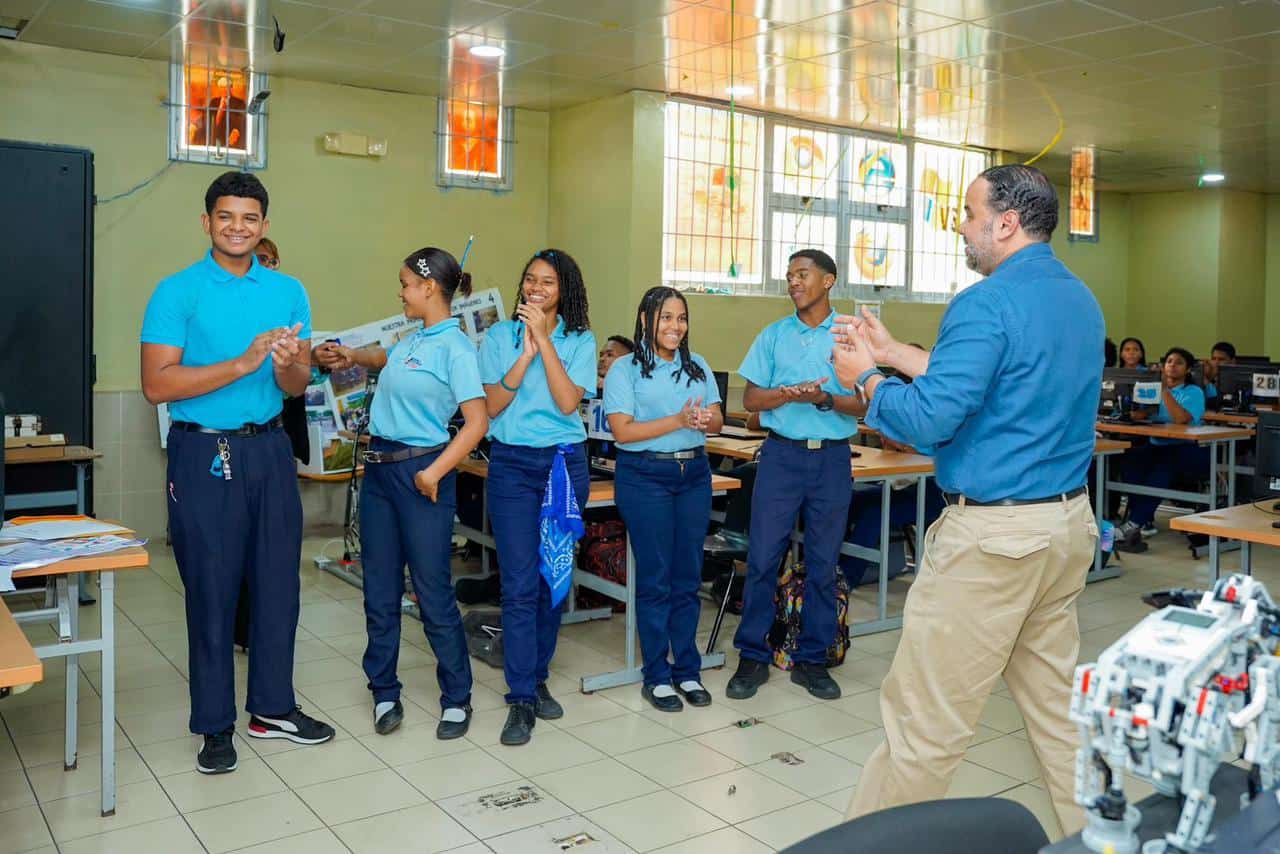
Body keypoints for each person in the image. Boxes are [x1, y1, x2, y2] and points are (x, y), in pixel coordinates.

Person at [833, 164, 1102, 835]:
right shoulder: (1078, 300)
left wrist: (867, 377)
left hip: (995, 545)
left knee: (924, 728)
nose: (959, 223)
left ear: (1005, 223)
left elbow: (928, 421)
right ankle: (1104, 840)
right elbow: (996, 380)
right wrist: (896, 351)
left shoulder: (984, 302)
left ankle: (865, 850)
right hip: (1063, 529)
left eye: (968, 211)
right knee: (1060, 719)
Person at [140, 171, 334, 775]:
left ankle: (272, 708)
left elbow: (297, 384)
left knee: (279, 584)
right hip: (204, 454)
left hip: (270, 451)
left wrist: (284, 367)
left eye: (250, 218)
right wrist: (241, 361)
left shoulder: (289, 291)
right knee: (212, 589)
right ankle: (215, 725)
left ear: (264, 226)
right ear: (207, 222)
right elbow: (156, 385)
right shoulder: (176, 293)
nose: (238, 227)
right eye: (226, 216)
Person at [314, 248, 488, 738]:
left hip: (422, 475)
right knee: (380, 592)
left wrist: (434, 473)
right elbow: (384, 357)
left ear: (430, 288)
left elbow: (476, 423)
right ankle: (383, 691)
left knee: (432, 593)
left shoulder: (455, 348)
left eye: (407, 283)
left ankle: (457, 697)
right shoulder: (415, 339)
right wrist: (351, 355)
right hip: (380, 478)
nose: (401, 291)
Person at [727, 249, 864, 703]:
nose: (792, 282)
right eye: (788, 276)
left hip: (830, 460)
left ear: (829, 281)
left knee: (823, 564)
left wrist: (826, 400)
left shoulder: (849, 335)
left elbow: (865, 403)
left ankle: (813, 659)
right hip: (781, 458)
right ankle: (752, 655)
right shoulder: (774, 336)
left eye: (802, 275)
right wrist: (785, 394)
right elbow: (750, 399)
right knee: (764, 558)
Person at [478, 248, 596, 746]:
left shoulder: (580, 340)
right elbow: (491, 405)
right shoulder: (498, 336)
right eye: (530, 280)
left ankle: (538, 672)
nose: (536, 288)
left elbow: (569, 401)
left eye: (547, 282)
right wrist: (524, 352)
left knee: (554, 578)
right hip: (512, 466)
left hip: (563, 465)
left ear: (563, 290)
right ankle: (521, 695)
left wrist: (545, 343)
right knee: (519, 583)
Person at [605, 287, 722, 712]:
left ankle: (687, 670)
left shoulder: (698, 365)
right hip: (645, 476)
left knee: (688, 577)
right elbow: (623, 431)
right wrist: (676, 419)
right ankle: (656, 674)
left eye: (681, 318)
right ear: (645, 320)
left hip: (693, 473)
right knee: (655, 577)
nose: (675, 327)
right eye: (666, 318)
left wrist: (706, 420)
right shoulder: (625, 369)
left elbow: (718, 420)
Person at [1113, 347, 1207, 544]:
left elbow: (1182, 419)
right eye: (1169, 361)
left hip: (1186, 448)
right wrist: (1136, 413)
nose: (1172, 365)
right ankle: (1143, 519)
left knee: (1162, 468)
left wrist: (1163, 389)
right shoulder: (1151, 389)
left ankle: (1135, 523)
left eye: (1179, 362)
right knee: (1130, 462)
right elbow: (1143, 414)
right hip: (1156, 444)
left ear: (1188, 369)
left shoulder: (1193, 392)